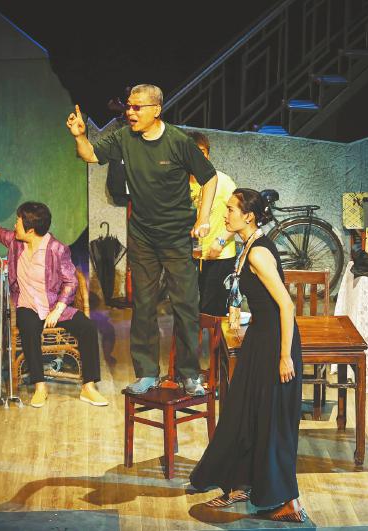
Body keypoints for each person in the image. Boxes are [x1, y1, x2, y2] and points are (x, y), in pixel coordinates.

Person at [66, 84, 218, 396]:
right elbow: (91, 155)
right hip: (143, 236)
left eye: (137, 107)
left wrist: (202, 219)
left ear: (156, 110)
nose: (130, 112)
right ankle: (147, 372)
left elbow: (210, 177)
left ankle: (189, 374)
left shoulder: (178, 142)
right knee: (144, 305)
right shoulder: (125, 137)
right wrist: (80, 136)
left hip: (176, 236)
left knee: (185, 305)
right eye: (129, 107)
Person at [190, 188, 305, 523]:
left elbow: (286, 306)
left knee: (272, 422)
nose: (225, 214)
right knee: (244, 413)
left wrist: (285, 356)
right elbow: (250, 292)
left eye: (230, 209)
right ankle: (241, 484)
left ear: (249, 216)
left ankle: (288, 502)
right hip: (259, 338)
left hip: (275, 344)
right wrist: (236, 312)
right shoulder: (248, 245)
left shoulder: (258, 253)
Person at [0, 195, 108, 409]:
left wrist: (58, 309)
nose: (14, 225)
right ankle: (40, 386)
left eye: (18, 221)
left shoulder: (57, 249)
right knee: (28, 326)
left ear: (30, 229)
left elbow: (71, 281)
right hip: (26, 303)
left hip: (53, 305)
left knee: (88, 327)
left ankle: (88, 387)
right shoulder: (16, 242)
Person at [187, 131, 236, 316]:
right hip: (191, 255)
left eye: (202, 152)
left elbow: (240, 217)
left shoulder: (223, 181)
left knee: (214, 310)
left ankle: (214, 337)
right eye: (193, 152)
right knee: (190, 308)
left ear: (208, 154)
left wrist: (221, 241)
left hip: (219, 255)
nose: (198, 157)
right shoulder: (180, 182)